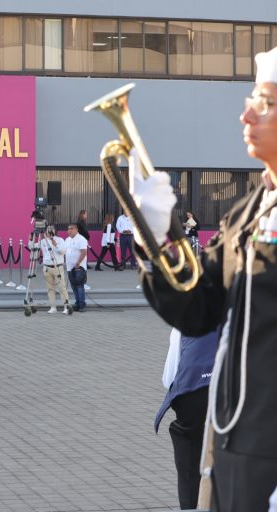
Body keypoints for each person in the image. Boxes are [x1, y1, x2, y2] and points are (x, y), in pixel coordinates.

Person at [129, 47, 277, 510]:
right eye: (252, 96)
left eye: (267, 101)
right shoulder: (250, 212)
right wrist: (154, 241)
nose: (247, 112)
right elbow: (196, 310)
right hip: (237, 450)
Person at [155, 328, 217, 511]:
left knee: (187, 438)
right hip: (234, 389)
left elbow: (169, 378)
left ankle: (189, 506)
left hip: (194, 391)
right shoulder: (243, 311)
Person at [31, 226, 70, 313]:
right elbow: (32, 247)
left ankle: (66, 306)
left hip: (57, 267)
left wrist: (55, 245)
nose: (49, 231)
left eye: (51, 230)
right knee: (50, 288)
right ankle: (53, 307)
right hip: (47, 267)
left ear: (55, 231)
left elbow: (63, 251)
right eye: (47, 230)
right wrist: (31, 239)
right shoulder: (43, 241)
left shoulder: (60, 240)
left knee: (62, 287)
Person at [63, 224, 88, 312]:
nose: (69, 230)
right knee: (73, 286)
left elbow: (83, 252)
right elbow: (64, 251)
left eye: (71, 229)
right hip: (70, 267)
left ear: (76, 229)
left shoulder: (81, 239)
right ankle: (77, 303)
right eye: (68, 229)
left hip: (79, 267)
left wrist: (78, 262)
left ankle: (82, 305)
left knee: (79, 286)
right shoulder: (67, 240)